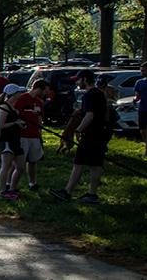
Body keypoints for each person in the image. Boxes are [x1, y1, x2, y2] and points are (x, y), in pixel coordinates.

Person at [51, 70, 113, 204]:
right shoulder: (99, 94)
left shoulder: (89, 95)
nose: (77, 83)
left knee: (78, 163)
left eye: (78, 80)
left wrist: (78, 130)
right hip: (100, 133)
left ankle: (67, 192)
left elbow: (89, 115)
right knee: (95, 165)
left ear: (85, 79)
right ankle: (92, 194)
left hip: (91, 135)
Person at [15, 80, 49, 191]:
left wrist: (40, 133)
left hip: (34, 135)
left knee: (33, 161)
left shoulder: (39, 102)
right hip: (22, 135)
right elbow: (15, 114)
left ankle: (32, 183)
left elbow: (39, 118)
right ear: (39, 88)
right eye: (45, 90)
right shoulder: (22, 98)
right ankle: (11, 185)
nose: (46, 93)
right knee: (19, 163)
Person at [0, 85, 28, 200]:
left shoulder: (13, 107)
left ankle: (12, 188)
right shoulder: (4, 107)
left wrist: (19, 124)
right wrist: (15, 123)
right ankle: (3, 191)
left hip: (16, 139)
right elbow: (0, 125)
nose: (21, 94)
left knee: (20, 167)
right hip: (7, 140)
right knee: (6, 166)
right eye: (19, 92)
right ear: (13, 94)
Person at [138, 62, 147, 157]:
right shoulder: (139, 82)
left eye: (144, 70)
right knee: (142, 131)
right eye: (141, 70)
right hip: (142, 109)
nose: (142, 72)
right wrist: (135, 99)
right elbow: (137, 96)